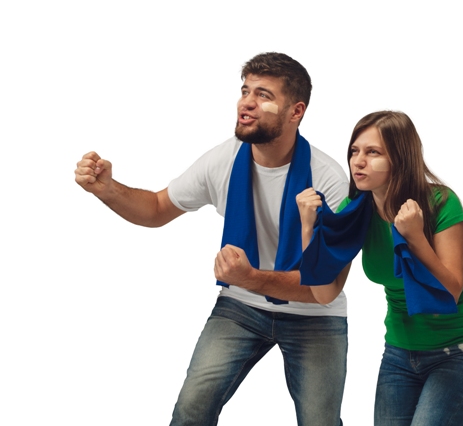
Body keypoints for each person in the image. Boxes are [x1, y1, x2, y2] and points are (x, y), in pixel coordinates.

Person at [74, 52, 349, 426]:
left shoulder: (330, 181)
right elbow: (156, 208)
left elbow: (327, 286)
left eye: (264, 95)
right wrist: (107, 189)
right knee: (191, 410)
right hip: (241, 306)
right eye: (245, 91)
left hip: (314, 314)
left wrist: (250, 277)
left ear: (296, 112)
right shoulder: (223, 160)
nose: (247, 103)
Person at [296, 111, 463, 426]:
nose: (358, 161)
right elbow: (324, 292)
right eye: (355, 151)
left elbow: (451, 290)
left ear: (399, 158)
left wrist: (415, 237)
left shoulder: (441, 202)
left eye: (373, 152)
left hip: (458, 352)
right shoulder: (355, 212)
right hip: (399, 355)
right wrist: (308, 230)